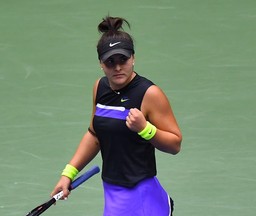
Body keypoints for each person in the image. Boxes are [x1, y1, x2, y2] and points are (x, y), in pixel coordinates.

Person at [51, 16, 182, 216]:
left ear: (133, 58)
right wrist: (68, 173)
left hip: (141, 194)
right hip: (113, 191)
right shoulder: (100, 87)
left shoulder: (149, 94)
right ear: (101, 64)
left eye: (123, 59)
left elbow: (175, 144)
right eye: (110, 61)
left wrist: (145, 129)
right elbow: (94, 135)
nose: (118, 67)